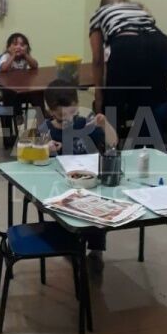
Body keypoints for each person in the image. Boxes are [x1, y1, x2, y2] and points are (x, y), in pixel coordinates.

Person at [40, 79, 118, 260]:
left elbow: (113, 143)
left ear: (76, 105)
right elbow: (28, 154)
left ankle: (96, 250)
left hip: (88, 182)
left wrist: (104, 125)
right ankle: (72, 245)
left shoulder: (84, 124)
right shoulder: (45, 130)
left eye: (71, 113)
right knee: (70, 216)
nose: (67, 119)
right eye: (61, 116)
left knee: (98, 208)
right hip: (61, 186)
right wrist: (44, 149)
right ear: (51, 111)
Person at [89, 0, 167, 134]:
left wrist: (99, 96)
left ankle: (111, 142)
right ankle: (150, 143)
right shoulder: (138, 8)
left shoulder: (99, 13)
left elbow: (97, 59)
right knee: (151, 102)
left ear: (103, 5)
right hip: (161, 43)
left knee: (113, 103)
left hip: (126, 43)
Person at [0, 32, 38, 147]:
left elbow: (35, 65)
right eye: (15, 44)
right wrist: (12, 56)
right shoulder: (6, 57)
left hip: (23, 90)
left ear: (27, 47)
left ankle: (42, 116)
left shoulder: (25, 57)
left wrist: (26, 55)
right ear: (8, 47)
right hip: (8, 90)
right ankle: (16, 118)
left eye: (22, 45)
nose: (18, 47)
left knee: (37, 93)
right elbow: (3, 68)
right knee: (11, 95)